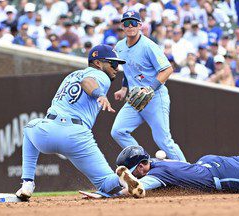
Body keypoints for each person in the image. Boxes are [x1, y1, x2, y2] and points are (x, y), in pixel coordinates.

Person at [15, 44, 145, 201]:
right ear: (98, 63)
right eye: (113, 63)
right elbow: (87, 81)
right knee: (106, 183)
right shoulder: (101, 76)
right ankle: (121, 177)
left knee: (30, 127)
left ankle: (27, 183)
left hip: (47, 132)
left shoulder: (72, 75)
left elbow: (84, 80)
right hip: (76, 135)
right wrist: (99, 94)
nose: (117, 68)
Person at [111, 11, 186, 162]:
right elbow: (128, 69)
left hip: (155, 97)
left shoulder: (149, 46)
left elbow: (167, 69)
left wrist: (151, 88)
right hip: (135, 98)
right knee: (118, 131)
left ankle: (190, 174)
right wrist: (124, 88)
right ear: (122, 26)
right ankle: (145, 162)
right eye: (126, 23)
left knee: (163, 141)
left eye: (133, 22)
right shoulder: (119, 46)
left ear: (140, 25)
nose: (130, 25)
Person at [116, 143, 239, 193]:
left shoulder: (157, 174)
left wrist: (113, 196)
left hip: (223, 174)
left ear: (141, 166)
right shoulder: (155, 162)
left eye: (132, 171)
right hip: (209, 162)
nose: (132, 174)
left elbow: (137, 188)